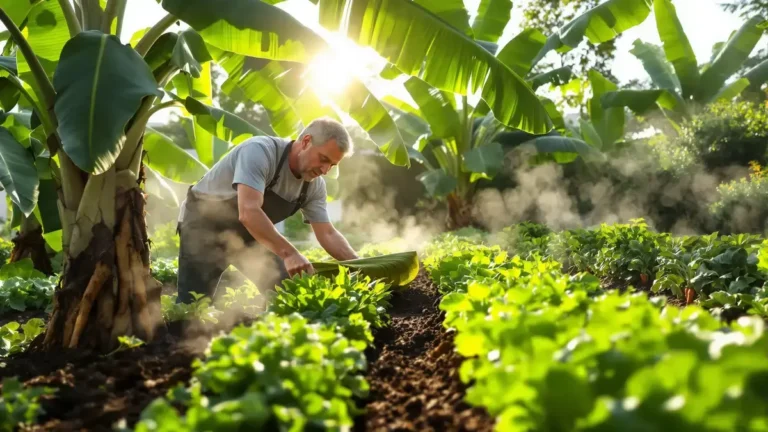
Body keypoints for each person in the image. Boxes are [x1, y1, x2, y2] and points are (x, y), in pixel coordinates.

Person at [175, 117, 359, 304]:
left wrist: (360, 266)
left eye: (332, 165)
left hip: (253, 234)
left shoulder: (314, 186)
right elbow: (249, 211)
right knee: (194, 305)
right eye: (323, 159)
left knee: (289, 289)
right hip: (204, 227)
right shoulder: (259, 152)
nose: (325, 170)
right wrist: (290, 253)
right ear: (305, 141)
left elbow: (327, 233)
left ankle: (273, 330)